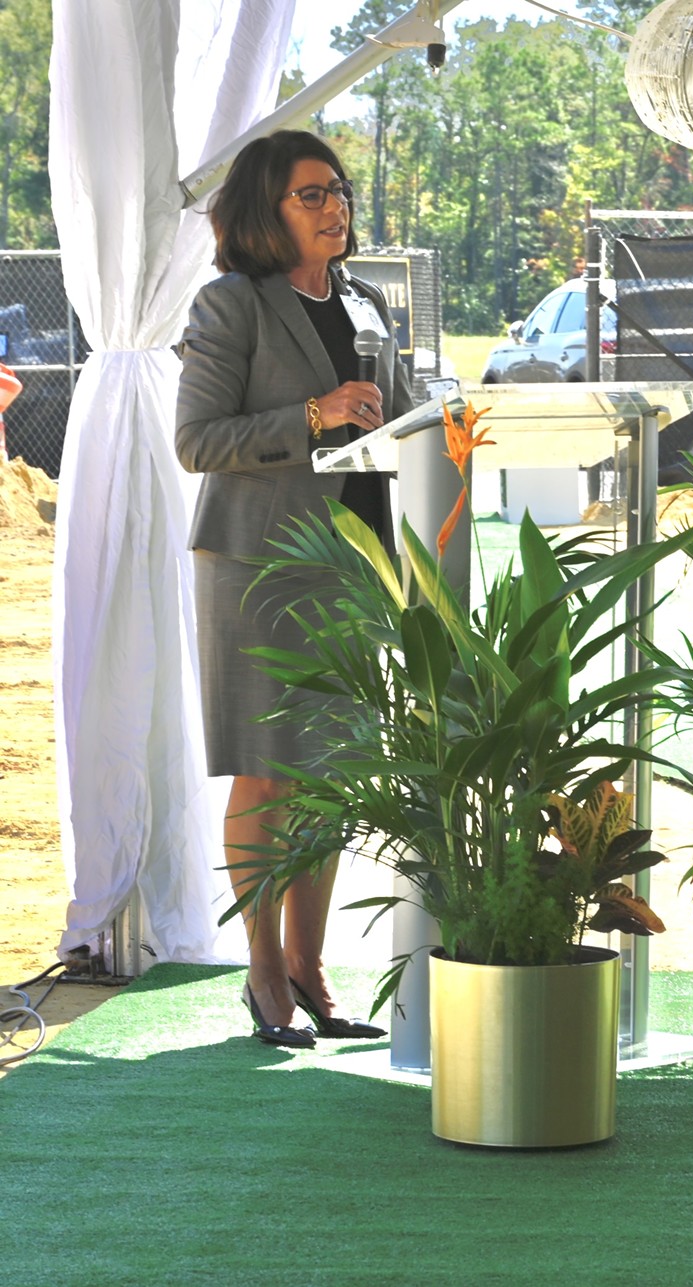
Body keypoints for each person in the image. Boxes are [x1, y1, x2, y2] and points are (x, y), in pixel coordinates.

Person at [176, 130, 414, 1048]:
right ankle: (263, 971)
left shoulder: (368, 303)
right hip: (259, 562)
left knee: (333, 781)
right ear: (265, 214)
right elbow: (198, 442)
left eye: (339, 191)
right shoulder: (231, 305)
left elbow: (390, 422)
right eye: (311, 195)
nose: (335, 206)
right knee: (269, 770)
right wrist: (312, 415)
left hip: (354, 560)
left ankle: (315, 972)